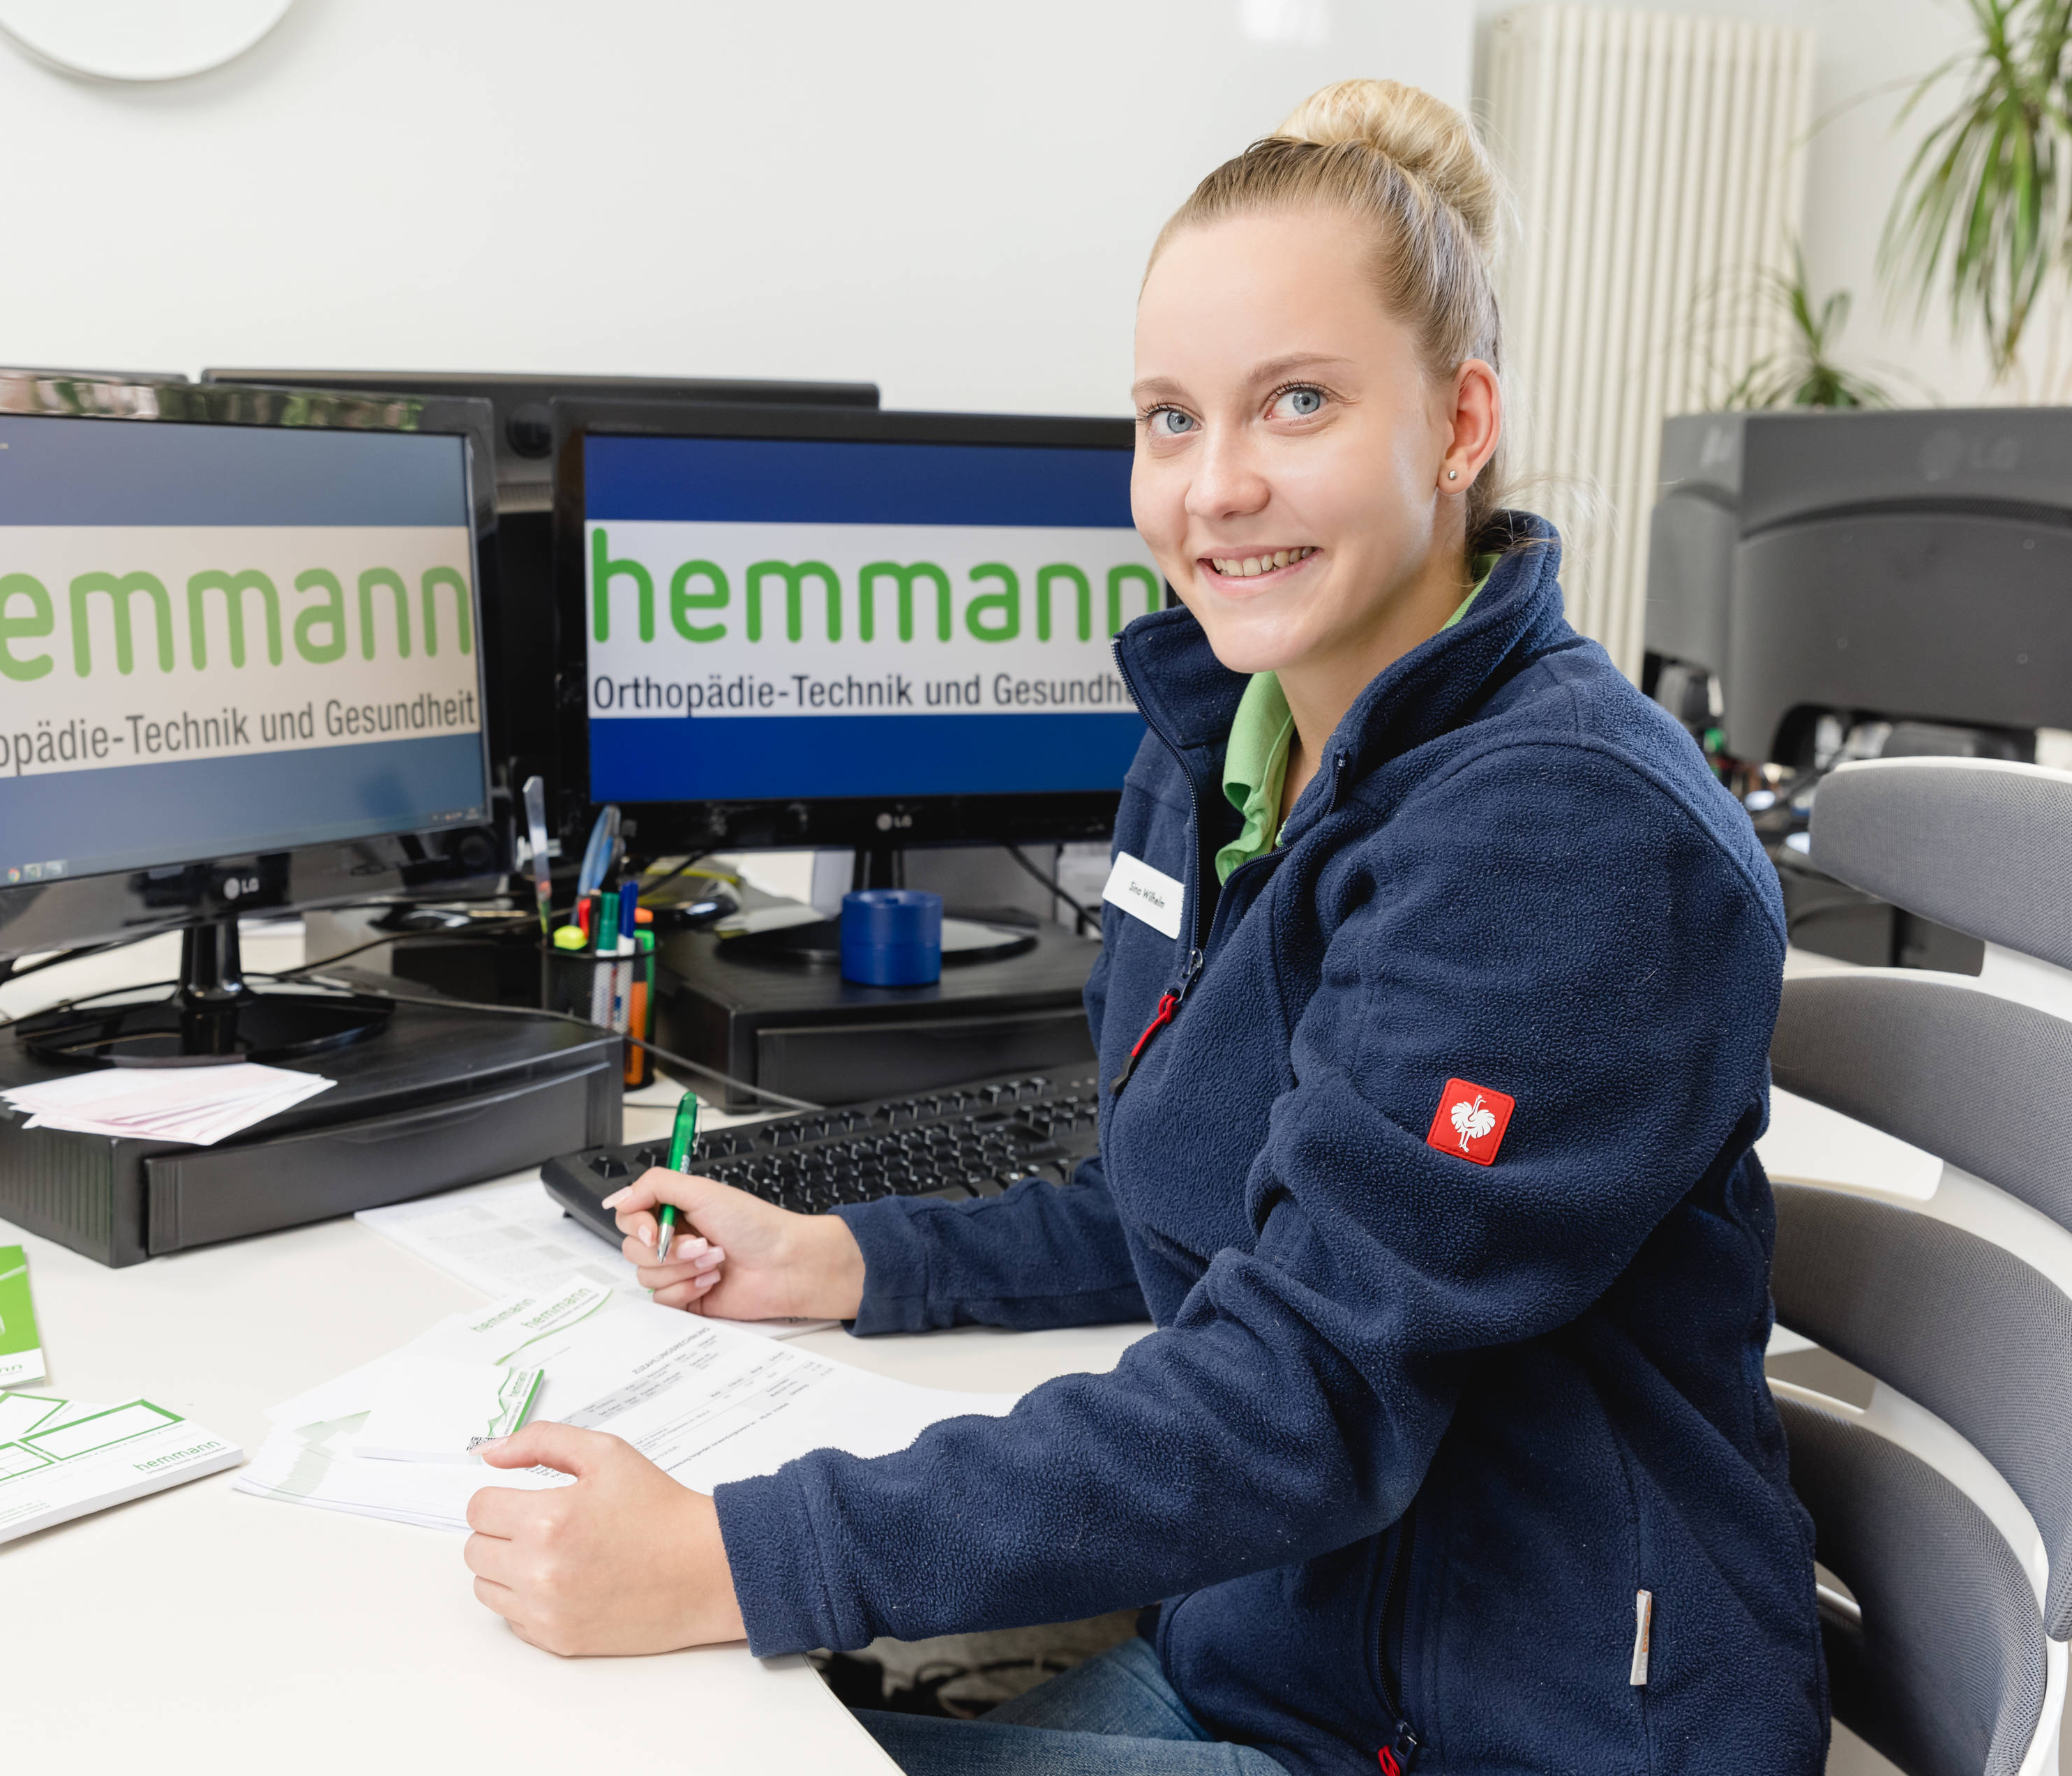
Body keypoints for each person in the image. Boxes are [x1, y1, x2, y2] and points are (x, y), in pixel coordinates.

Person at [460, 78, 1824, 1776]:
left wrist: (733, 1555)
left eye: (1297, 403)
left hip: (1512, 1734)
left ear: (1459, 421)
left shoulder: (1567, 834)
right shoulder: (1228, 735)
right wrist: (859, 1259)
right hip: (1271, 1659)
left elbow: (1305, 1393)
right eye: (1169, 419)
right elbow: (1214, 1193)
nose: (1216, 487)